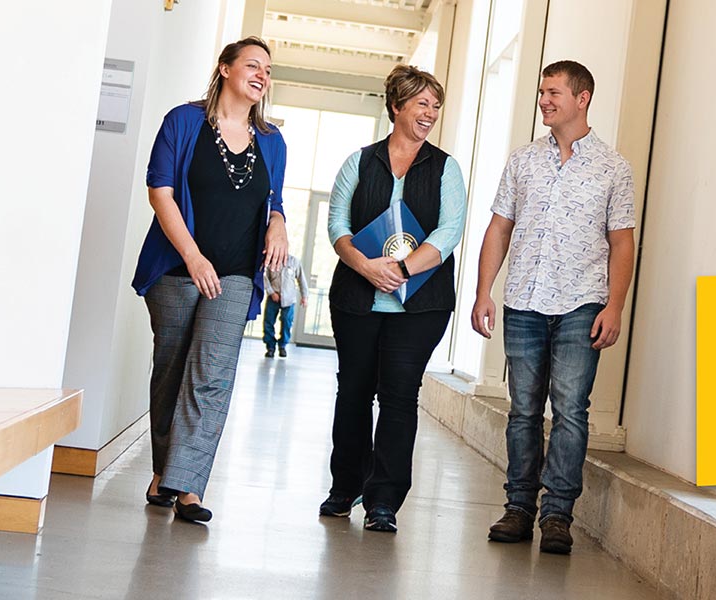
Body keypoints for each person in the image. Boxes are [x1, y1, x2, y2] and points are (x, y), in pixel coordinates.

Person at [472, 60, 636, 554]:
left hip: (583, 304)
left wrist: (616, 306)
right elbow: (499, 228)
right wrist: (485, 291)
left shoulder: (613, 167)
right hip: (523, 299)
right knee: (522, 410)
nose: (544, 99)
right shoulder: (522, 161)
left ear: (582, 98)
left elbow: (623, 243)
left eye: (553, 92)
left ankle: (558, 516)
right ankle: (518, 507)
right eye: (542, 92)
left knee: (570, 411)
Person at [129, 36, 288, 524]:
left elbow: (273, 200)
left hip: (237, 273)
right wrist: (194, 257)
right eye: (252, 65)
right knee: (172, 372)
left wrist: (279, 222)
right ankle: (164, 473)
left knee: (212, 378)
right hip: (177, 268)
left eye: (267, 69)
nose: (262, 75)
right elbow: (161, 192)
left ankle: (188, 487)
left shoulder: (273, 141)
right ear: (224, 69)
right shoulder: (183, 121)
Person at [319, 65, 467, 533]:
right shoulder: (359, 162)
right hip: (357, 300)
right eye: (422, 103)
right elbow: (337, 224)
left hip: (420, 307)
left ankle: (384, 500)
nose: (430, 113)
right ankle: (345, 486)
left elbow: (449, 232)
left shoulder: (446, 168)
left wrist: (400, 269)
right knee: (354, 392)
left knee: (400, 396)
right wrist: (365, 266)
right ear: (397, 106)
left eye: (436, 105)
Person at [263, 253, 309, 358]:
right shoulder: (271, 260)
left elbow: (302, 280)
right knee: (268, 322)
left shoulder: (294, 261)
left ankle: (282, 346)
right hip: (273, 297)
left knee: (287, 322)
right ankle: (270, 347)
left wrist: (304, 296)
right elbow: (265, 277)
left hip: (289, 299)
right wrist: (271, 292)